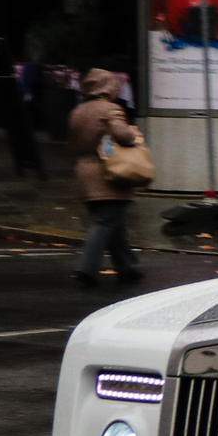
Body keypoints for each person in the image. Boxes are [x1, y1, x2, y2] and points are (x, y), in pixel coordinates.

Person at [68, 67, 144, 288]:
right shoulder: (111, 110)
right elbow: (123, 135)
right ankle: (85, 267)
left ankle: (128, 266)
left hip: (83, 173)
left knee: (113, 224)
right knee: (106, 222)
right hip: (108, 174)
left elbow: (71, 146)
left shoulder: (77, 112)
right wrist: (133, 134)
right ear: (108, 87)